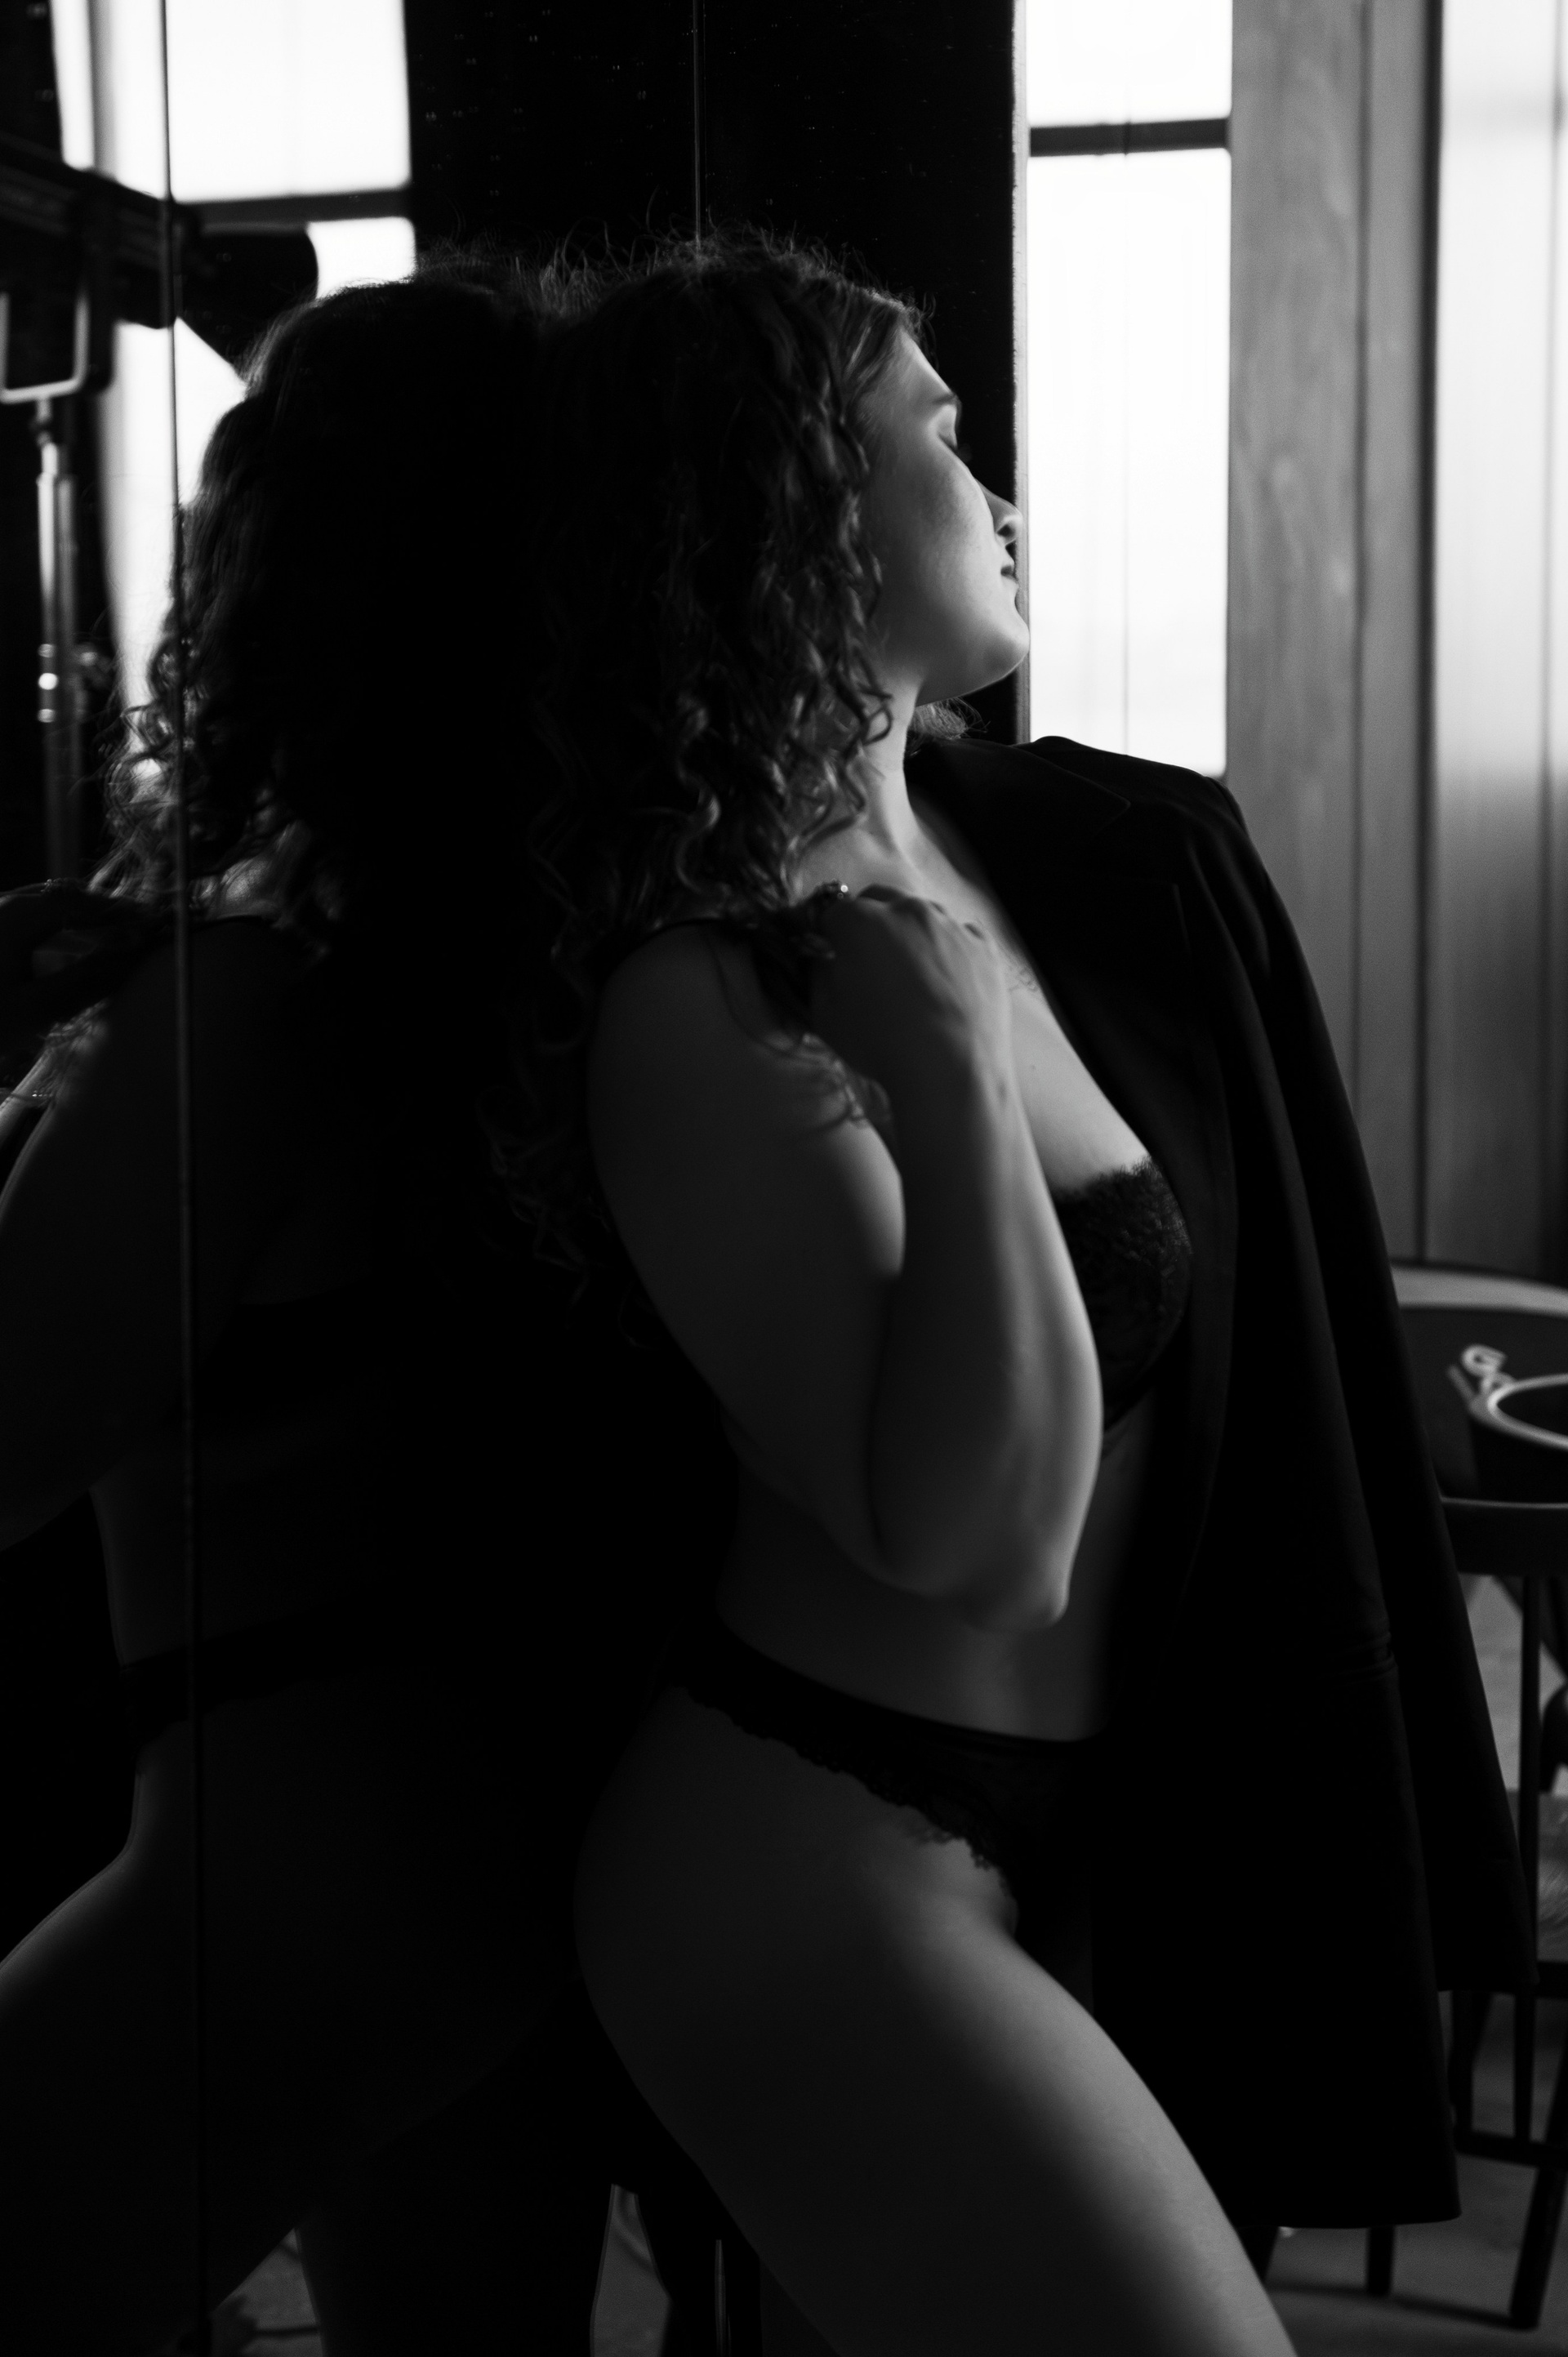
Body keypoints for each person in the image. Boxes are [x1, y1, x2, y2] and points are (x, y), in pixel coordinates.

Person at [506, 235, 1531, 2356]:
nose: (1003, 498)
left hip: (1071, 1838)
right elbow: (988, 1545)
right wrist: (961, 1080)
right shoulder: (710, 994)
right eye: (944, 437)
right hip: (825, 1847)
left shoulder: (1017, 864)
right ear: (793, 509)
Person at [0, 262, 735, 2355]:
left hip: (276, 1873)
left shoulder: (235, 1003)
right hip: (502, 1853)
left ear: (276, 569)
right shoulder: (578, 955)